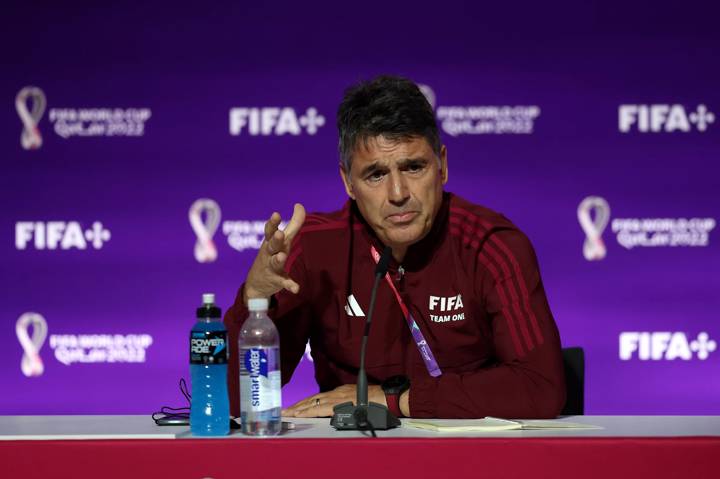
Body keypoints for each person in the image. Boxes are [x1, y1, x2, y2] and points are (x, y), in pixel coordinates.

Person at [224, 75, 565, 419]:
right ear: (348, 182)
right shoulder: (314, 248)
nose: (398, 193)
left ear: (442, 166)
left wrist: (395, 401)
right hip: (350, 461)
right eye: (375, 174)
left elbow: (540, 386)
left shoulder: (491, 245)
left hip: (469, 459)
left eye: (413, 167)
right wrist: (254, 300)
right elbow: (236, 401)